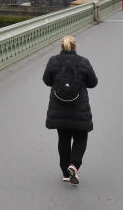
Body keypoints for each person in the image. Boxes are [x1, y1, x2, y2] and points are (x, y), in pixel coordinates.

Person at [42, 35, 98, 185]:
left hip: (59, 108)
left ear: (61, 47)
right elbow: (93, 83)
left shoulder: (53, 61)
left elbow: (47, 80)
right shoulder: (83, 62)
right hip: (79, 108)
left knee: (64, 138)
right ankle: (74, 164)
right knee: (81, 137)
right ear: (75, 46)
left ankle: (66, 173)